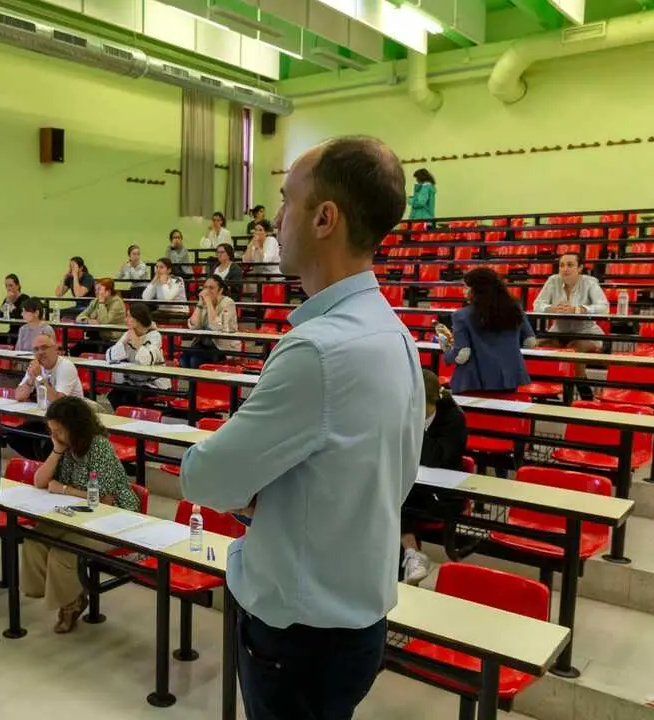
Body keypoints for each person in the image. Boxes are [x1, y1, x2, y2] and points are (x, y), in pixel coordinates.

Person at [181, 136, 421, 720]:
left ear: (324, 217)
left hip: (298, 632)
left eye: (286, 200)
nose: (276, 218)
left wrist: (251, 487)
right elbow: (396, 477)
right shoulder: (395, 334)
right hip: (357, 624)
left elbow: (205, 479)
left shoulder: (318, 349)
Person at [21, 396, 139, 633]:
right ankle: (58, 594)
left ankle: (71, 604)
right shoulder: (63, 446)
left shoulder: (99, 447)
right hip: (76, 512)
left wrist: (64, 489)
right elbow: (39, 481)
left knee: (62, 552)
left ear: (74, 427)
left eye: (58, 431)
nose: (54, 435)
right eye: (51, 430)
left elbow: (104, 500)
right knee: (34, 541)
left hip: (113, 518)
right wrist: (56, 451)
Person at [400, 370, 467, 585]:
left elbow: (434, 458)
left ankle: (412, 554)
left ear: (431, 402)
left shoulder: (453, 419)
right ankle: (412, 553)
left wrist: (414, 425)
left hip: (444, 493)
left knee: (395, 499)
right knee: (387, 494)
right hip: (413, 486)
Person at [436, 267, 536, 395]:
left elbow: (462, 355)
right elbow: (530, 342)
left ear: (476, 290)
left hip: (475, 381)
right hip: (510, 378)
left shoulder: (461, 316)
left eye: (466, 288)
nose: (463, 292)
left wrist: (446, 351)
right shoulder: (515, 308)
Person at [9, 333, 84, 460]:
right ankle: (41, 463)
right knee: (15, 436)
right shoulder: (36, 368)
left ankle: (49, 466)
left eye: (44, 347)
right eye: (36, 349)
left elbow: (60, 401)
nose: (40, 352)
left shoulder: (66, 366)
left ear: (55, 349)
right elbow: (19, 395)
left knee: (48, 446)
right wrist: (31, 379)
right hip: (46, 417)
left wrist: (39, 377)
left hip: (69, 419)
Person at [532, 252, 609, 353]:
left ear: (580, 268)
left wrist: (579, 309)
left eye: (570, 265)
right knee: (535, 344)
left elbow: (604, 307)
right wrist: (552, 308)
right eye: (562, 265)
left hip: (586, 333)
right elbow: (537, 304)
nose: (565, 269)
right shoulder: (553, 280)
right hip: (558, 332)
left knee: (575, 348)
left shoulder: (590, 282)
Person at [104, 304, 169, 410]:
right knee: (115, 394)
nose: (126, 319)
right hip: (133, 381)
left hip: (154, 383)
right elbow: (110, 357)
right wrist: (124, 341)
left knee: (131, 396)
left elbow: (146, 360)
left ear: (138, 319)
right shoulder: (128, 334)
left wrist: (135, 339)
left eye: (129, 316)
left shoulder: (155, 335)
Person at [180, 275, 239, 369]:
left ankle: (198, 383)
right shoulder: (203, 302)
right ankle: (194, 383)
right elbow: (194, 326)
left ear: (220, 290)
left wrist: (209, 303)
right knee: (183, 359)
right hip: (202, 345)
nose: (207, 291)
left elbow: (216, 327)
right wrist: (200, 304)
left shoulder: (228, 303)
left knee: (195, 360)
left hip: (222, 347)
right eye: (205, 287)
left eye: (211, 288)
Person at [71, 278, 126, 356]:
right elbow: (79, 317)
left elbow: (104, 322)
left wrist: (101, 302)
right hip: (97, 337)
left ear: (108, 292)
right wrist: (88, 321)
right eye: (95, 290)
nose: (96, 292)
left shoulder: (117, 303)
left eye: (99, 290)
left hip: (111, 341)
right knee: (75, 350)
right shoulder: (95, 301)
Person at [0, 273, 29, 346]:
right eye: (6, 286)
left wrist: (10, 304)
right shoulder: (8, 299)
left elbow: (19, 315)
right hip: (11, 332)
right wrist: (7, 302)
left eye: (11, 285)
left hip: (22, 333)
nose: (8, 288)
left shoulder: (25, 298)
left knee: (12, 341)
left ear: (17, 286)